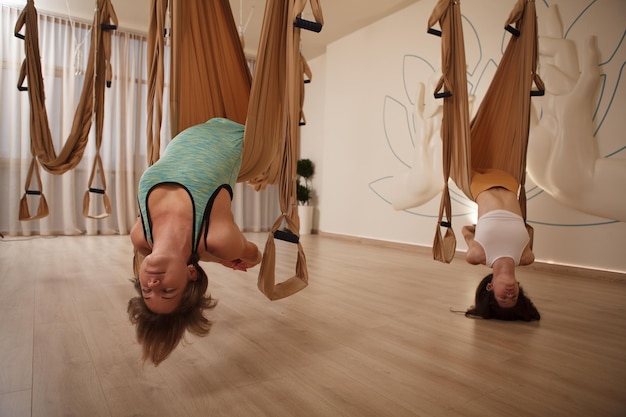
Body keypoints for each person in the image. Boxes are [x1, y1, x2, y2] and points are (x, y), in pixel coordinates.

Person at [128, 117, 263, 365]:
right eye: (167, 290)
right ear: (191, 274)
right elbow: (255, 256)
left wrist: (213, 258)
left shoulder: (141, 236)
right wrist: (224, 255)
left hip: (193, 128)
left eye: (147, 289)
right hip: (242, 133)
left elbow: (187, 254)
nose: (154, 282)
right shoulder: (217, 237)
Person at [461, 168, 540, 321]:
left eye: (503, 298)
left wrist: (481, 229)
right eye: (514, 298)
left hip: (479, 183)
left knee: (457, 153)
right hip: (508, 179)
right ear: (518, 287)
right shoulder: (526, 257)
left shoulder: (477, 255)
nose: (509, 295)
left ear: (490, 287)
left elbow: (465, 230)